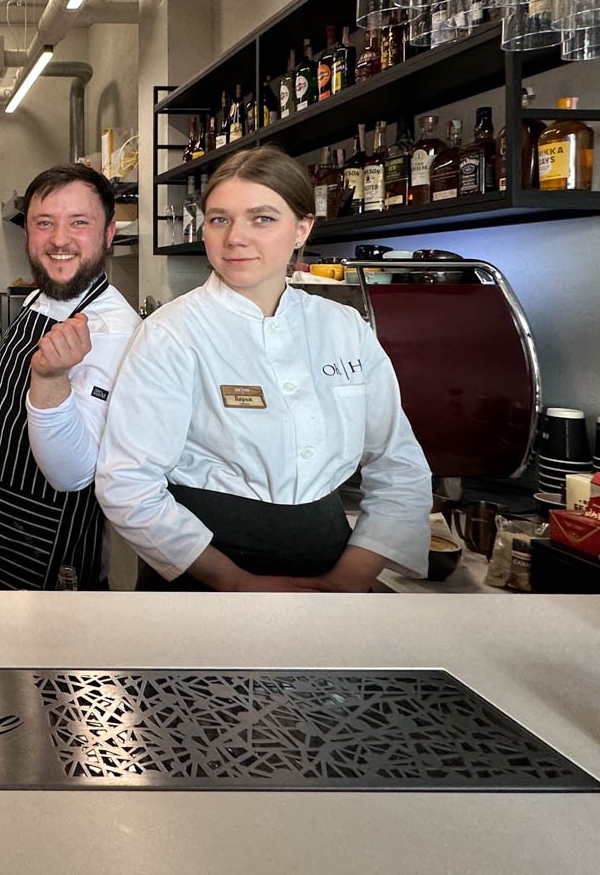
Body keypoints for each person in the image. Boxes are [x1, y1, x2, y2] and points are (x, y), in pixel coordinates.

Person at [95, 147, 432, 592]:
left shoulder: (344, 328)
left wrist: (348, 580)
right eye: (219, 219)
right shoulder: (171, 334)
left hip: (336, 562)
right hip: (204, 573)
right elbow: (127, 482)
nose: (235, 237)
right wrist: (235, 582)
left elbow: (399, 467)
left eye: (262, 218)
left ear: (302, 228)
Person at [0, 164, 140, 590]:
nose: (59, 240)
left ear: (108, 233)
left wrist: (51, 380)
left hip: (41, 546)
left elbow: (73, 473)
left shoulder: (112, 330)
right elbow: (13, 386)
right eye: (44, 223)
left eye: (79, 223)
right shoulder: (41, 296)